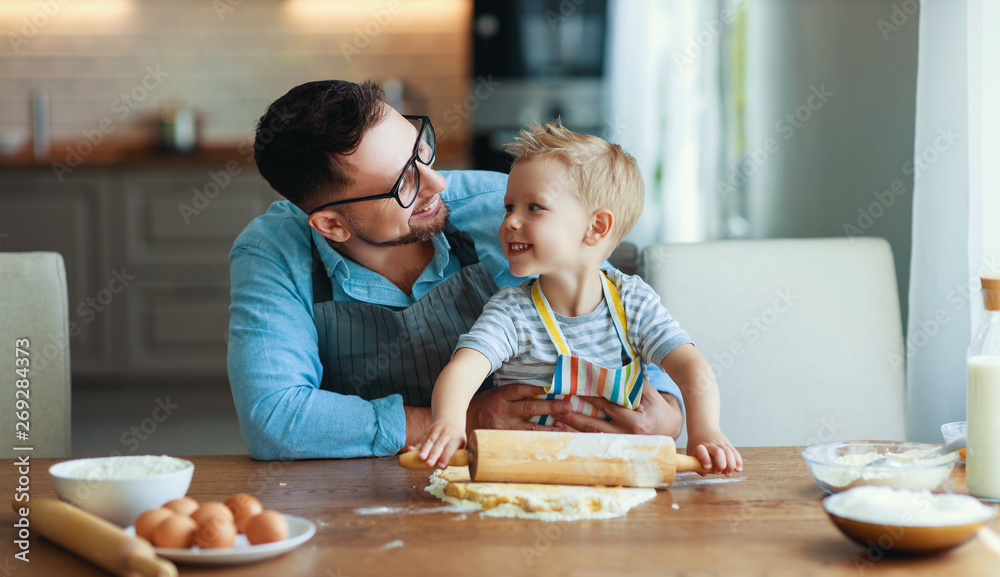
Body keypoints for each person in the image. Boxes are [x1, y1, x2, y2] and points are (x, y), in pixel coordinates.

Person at [227, 79, 685, 460]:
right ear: (331, 224)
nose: (437, 182)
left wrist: (667, 413)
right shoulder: (274, 250)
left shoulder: (505, 210)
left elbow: (622, 328)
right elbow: (274, 419)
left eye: (422, 151)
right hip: (370, 492)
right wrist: (460, 419)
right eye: (403, 182)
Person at [413, 121, 742, 476]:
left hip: (619, 477)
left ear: (596, 227)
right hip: (528, 477)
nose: (510, 222)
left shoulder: (632, 302)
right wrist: (449, 422)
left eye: (533, 208)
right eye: (509, 207)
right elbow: (462, 370)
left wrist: (706, 431)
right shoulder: (512, 312)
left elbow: (694, 370)